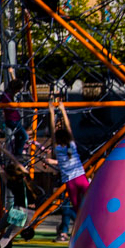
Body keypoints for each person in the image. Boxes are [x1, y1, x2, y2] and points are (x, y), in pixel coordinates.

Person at [48, 99, 89, 240]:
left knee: (77, 207)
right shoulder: (72, 146)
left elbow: (53, 130)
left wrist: (52, 112)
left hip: (70, 181)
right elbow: (68, 127)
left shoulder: (58, 149)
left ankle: (82, 227)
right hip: (81, 178)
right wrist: (63, 110)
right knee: (90, 200)